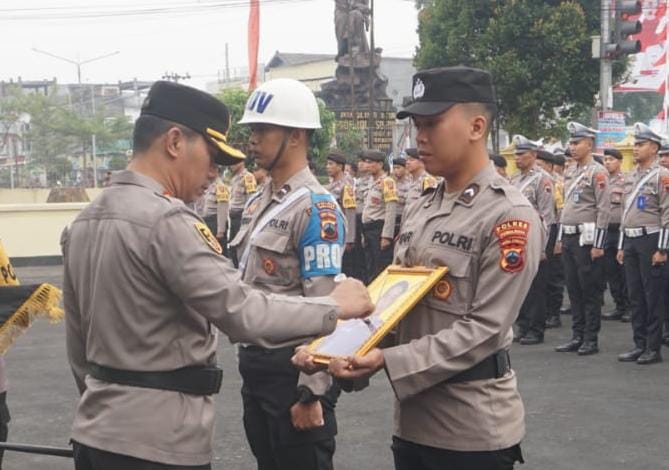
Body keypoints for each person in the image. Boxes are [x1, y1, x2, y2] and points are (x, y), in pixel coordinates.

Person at [62, 80, 373, 470]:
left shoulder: (83, 222)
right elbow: (240, 311)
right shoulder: (169, 221)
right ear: (174, 142)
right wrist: (334, 307)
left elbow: (77, 344)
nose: (214, 172)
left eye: (262, 131)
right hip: (160, 438)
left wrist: (313, 392)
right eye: (210, 156)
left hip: (97, 430)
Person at [312, 65, 542, 470]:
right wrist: (344, 352)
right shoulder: (425, 206)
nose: (420, 137)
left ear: (476, 126)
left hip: (471, 428)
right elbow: (393, 308)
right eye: (417, 124)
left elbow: (485, 330)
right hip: (414, 423)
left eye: (432, 123)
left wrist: (388, 361)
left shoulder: (509, 215)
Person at [231, 78, 350, 470]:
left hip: (292, 370)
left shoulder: (317, 208)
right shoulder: (258, 203)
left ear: (296, 135)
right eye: (252, 130)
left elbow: (327, 306)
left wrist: (311, 393)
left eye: (262, 130)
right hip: (256, 366)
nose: (252, 140)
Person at [554, 121, 610, 356]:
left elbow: (604, 209)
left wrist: (598, 243)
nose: (572, 147)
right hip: (568, 236)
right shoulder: (571, 171)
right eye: (571, 143)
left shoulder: (598, 172)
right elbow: (565, 207)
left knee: (590, 290)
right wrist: (558, 238)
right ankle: (577, 335)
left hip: (586, 239)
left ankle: (590, 338)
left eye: (577, 143)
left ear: (589, 144)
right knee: (574, 289)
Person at [616, 123, 669, 365]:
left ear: (654, 148)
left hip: (651, 240)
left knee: (653, 296)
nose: (635, 149)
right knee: (635, 295)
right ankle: (639, 344)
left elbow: (667, 214)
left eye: (640, 145)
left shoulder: (662, 176)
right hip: (631, 240)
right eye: (635, 145)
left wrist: (662, 249)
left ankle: (653, 347)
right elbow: (625, 213)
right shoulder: (631, 176)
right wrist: (620, 245)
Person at [510, 137, 556, 345]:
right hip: (516, 238)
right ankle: (523, 325)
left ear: (534, 155)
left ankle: (536, 329)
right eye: (516, 154)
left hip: (535, 239)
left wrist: (544, 246)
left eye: (521, 154)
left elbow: (547, 216)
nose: (517, 158)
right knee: (520, 287)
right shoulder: (515, 179)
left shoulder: (542, 179)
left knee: (536, 287)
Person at [601, 148, 630, 322]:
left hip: (620, 230)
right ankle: (619, 305)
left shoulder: (626, 180)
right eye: (605, 159)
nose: (607, 162)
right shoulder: (601, 180)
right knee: (610, 270)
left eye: (611, 159)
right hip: (605, 230)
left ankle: (629, 307)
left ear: (619, 161)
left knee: (624, 270)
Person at [360, 149, 398, 281]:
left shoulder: (388, 182)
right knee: (369, 267)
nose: (366, 165)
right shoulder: (370, 182)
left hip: (379, 230)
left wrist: (387, 236)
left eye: (370, 162)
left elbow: (391, 209)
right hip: (368, 229)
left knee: (380, 269)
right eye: (365, 162)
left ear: (380, 164)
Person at [326, 151, 358, 278]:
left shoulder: (346, 185)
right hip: (330, 229)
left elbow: (350, 211)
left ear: (340, 166)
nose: (327, 167)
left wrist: (350, 238)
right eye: (327, 164)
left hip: (342, 231)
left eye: (330, 164)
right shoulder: (331, 184)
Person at [229, 161, 258, 267]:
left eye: (233, 161)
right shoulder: (234, 178)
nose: (231, 164)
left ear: (241, 162)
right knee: (232, 248)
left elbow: (252, 200)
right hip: (233, 217)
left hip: (241, 217)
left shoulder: (248, 177)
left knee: (240, 248)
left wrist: (248, 221)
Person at [392, 157, 411, 232]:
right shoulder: (392, 183)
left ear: (405, 169)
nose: (395, 170)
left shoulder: (410, 184)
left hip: (404, 218)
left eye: (398, 168)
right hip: (392, 219)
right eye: (394, 168)